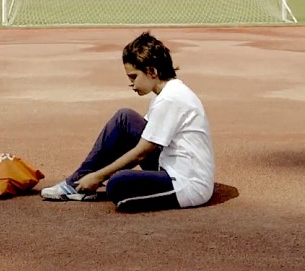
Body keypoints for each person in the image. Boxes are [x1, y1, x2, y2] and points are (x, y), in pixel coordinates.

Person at [40, 31, 215, 212]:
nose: (131, 84)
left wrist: (98, 177)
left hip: (188, 185)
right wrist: (93, 174)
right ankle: (75, 183)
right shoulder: (165, 93)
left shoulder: (170, 99)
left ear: (152, 71)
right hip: (168, 164)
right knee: (124, 118)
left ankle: (88, 183)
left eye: (133, 77)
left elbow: (142, 152)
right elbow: (134, 138)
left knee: (117, 184)